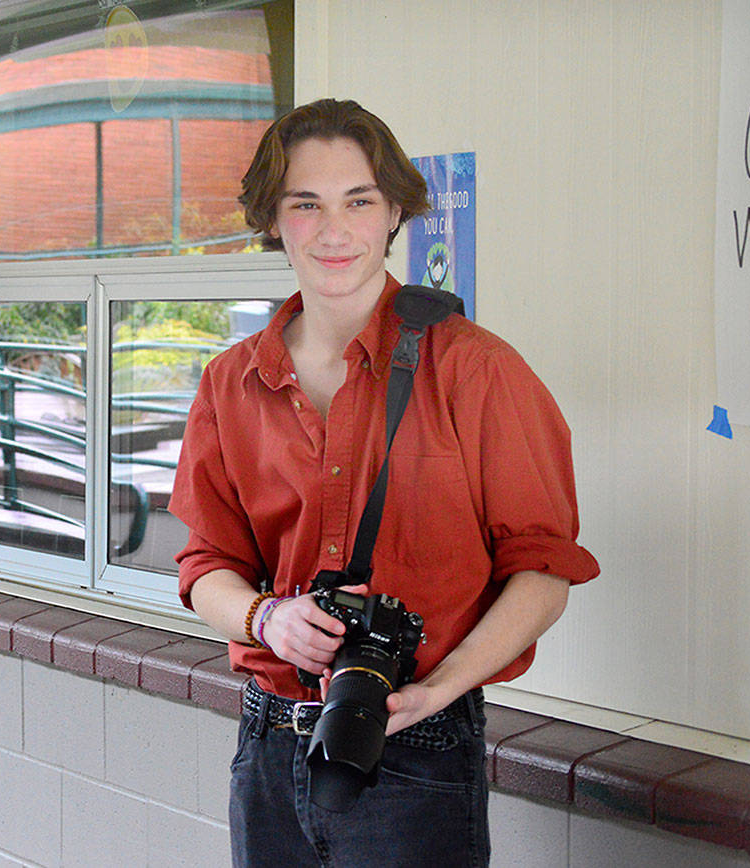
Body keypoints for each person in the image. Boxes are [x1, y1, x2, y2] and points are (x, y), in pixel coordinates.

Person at [168, 97, 599, 867]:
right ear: (274, 218)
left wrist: (441, 689)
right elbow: (205, 570)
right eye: (306, 204)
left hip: (419, 736)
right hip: (272, 740)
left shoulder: (475, 369)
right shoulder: (231, 382)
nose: (335, 231)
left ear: (395, 209)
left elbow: (543, 570)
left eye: (358, 201)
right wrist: (269, 619)